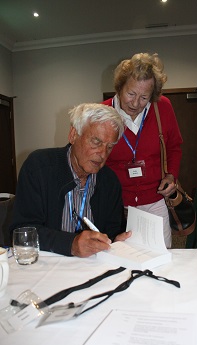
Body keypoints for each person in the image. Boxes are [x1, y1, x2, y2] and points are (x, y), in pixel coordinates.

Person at [11, 103, 131, 257]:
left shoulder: (110, 181)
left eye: (109, 147)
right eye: (96, 142)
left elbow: (112, 232)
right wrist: (70, 244)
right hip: (47, 264)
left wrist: (116, 241)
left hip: (92, 266)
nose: (102, 154)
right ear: (73, 135)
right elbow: (22, 230)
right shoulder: (39, 167)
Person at [103, 53, 183, 248]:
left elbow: (174, 146)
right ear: (120, 87)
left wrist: (171, 175)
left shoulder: (162, 108)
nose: (135, 103)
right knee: (120, 260)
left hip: (154, 200)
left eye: (144, 97)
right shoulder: (102, 113)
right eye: (131, 94)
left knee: (160, 257)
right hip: (115, 204)